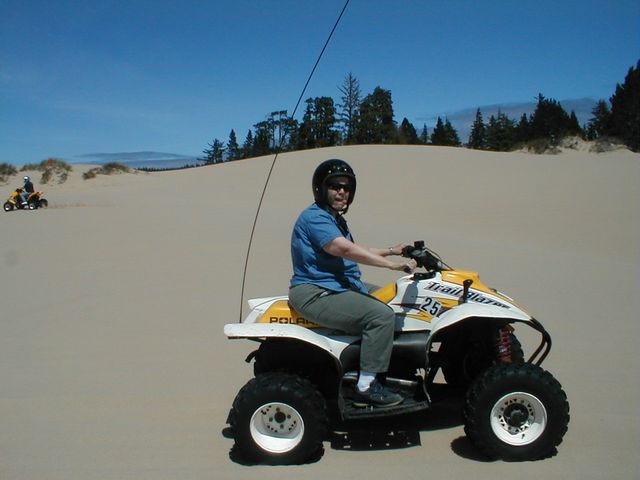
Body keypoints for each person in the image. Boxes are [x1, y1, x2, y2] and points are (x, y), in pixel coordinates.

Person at [288, 159, 417, 407]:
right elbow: (343, 249)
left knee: (395, 299)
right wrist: (391, 266)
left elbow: (357, 248)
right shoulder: (314, 218)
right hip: (317, 292)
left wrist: (393, 251)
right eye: (335, 186)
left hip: (340, 284)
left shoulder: (334, 218)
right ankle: (366, 385)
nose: (341, 192)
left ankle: (388, 366)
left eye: (346, 187)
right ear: (321, 189)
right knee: (380, 316)